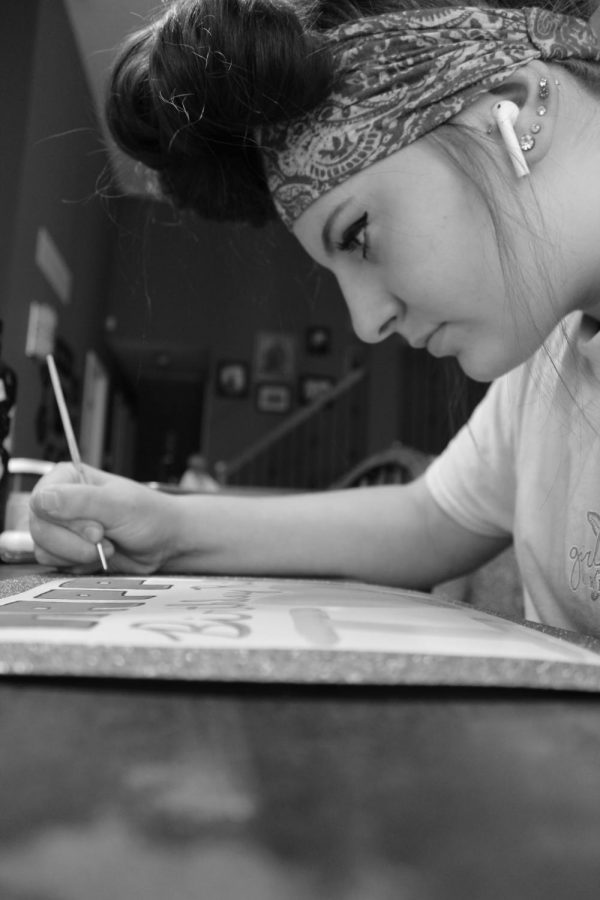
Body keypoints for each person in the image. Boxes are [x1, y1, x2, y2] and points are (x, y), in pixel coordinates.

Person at [28, 0, 600, 636]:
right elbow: (432, 519)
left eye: (357, 234)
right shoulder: (547, 364)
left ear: (513, 113)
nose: (366, 324)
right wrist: (167, 527)